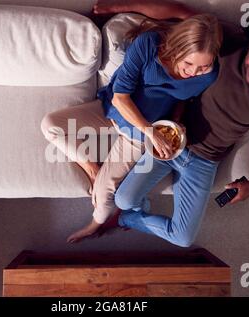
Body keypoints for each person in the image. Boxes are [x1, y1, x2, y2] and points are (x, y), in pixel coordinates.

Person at [94, 0, 249, 247]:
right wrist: (114, 7)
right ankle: (129, 212)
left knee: (182, 238)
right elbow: (179, 12)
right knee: (123, 200)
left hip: (205, 160)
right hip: (171, 138)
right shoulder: (228, 39)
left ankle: (128, 221)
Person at [41, 13, 223, 242]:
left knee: (105, 198)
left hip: (139, 135)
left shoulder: (209, 74)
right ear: (177, 47)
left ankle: (93, 226)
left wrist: (176, 121)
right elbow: (120, 98)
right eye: (188, 63)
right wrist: (149, 130)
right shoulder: (148, 44)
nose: (194, 73)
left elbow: (183, 98)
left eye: (203, 67)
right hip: (114, 110)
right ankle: (91, 169)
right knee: (50, 125)